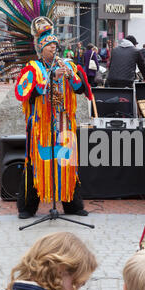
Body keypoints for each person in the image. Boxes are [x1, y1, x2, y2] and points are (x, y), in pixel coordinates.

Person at [16, 18, 91, 219]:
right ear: (41, 49)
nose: (53, 49)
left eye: (55, 45)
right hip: (42, 124)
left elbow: (81, 88)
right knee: (36, 162)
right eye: (49, 46)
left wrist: (70, 75)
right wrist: (51, 77)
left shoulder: (67, 64)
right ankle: (27, 206)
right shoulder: (34, 68)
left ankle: (72, 205)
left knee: (67, 161)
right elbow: (25, 92)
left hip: (63, 121)